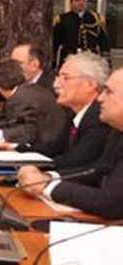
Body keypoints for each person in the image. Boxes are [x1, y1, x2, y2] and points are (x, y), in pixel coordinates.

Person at [17, 67, 123, 219]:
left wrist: (47, 186)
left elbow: (111, 203)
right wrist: (47, 177)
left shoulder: (101, 121)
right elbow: (99, 170)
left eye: (109, 92)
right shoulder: (118, 129)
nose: (100, 98)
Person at [0, 52, 110, 170]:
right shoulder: (73, 113)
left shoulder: (99, 117)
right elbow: (54, 148)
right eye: (58, 77)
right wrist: (16, 148)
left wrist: (40, 174)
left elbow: (77, 161)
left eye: (65, 78)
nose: (56, 84)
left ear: (89, 85)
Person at [0, 59, 66, 145]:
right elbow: (15, 123)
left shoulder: (18, 100)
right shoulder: (31, 90)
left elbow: (27, 132)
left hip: (46, 151)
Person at [52, 0, 110, 69]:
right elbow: (55, 44)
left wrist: (107, 64)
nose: (81, 2)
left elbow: (104, 43)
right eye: (77, 0)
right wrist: (53, 64)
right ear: (71, 3)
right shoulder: (62, 19)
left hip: (90, 62)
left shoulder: (96, 18)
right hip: (69, 61)